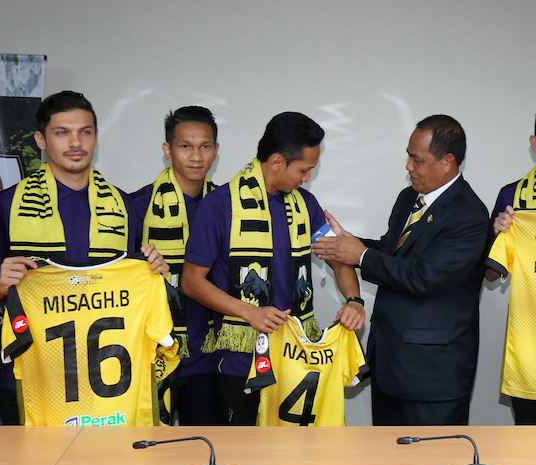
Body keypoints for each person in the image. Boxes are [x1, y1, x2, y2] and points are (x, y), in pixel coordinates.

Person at [0, 90, 168, 424]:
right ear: (41, 140)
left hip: (110, 385)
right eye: (62, 132)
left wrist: (155, 269)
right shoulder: (8, 206)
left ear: (96, 138)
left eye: (85, 132)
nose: (76, 143)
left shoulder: (124, 208)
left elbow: (135, 286)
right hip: (32, 377)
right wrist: (0, 286)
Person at [182, 112, 365, 426]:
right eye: (304, 169)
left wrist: (354, 300)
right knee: (242, 459)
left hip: (295, 359)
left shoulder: (305, 205)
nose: (307, 178)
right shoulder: (220, 205)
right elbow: (191, 282)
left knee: (291, 457)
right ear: (277, 162)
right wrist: (249, 312)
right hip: (240, 361)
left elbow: (339, 260)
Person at [313, 114, 488, 426]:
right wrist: (347, 245)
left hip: (432, 375)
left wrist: (361, 255)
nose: (408, 167)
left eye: (416, 159)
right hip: (390, 363)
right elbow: (392, 252)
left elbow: (424, 277)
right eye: (409, 156)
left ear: (447, 162)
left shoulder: (468, 214)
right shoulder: (409, 198)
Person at [130, 106, 221, 425]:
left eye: (205, 146)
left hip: (211, 354)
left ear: (216, 151)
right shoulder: (135, 207)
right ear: (168, 150)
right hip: (154, 351)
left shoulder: (229, 207)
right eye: (185, 146)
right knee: (153, 454)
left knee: (209, 454)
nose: (196, 156)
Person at [485, 117, 536, 424]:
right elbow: (490, 274)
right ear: (534, 144)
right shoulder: (513, 197)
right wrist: (498, 233)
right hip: (530, 352)